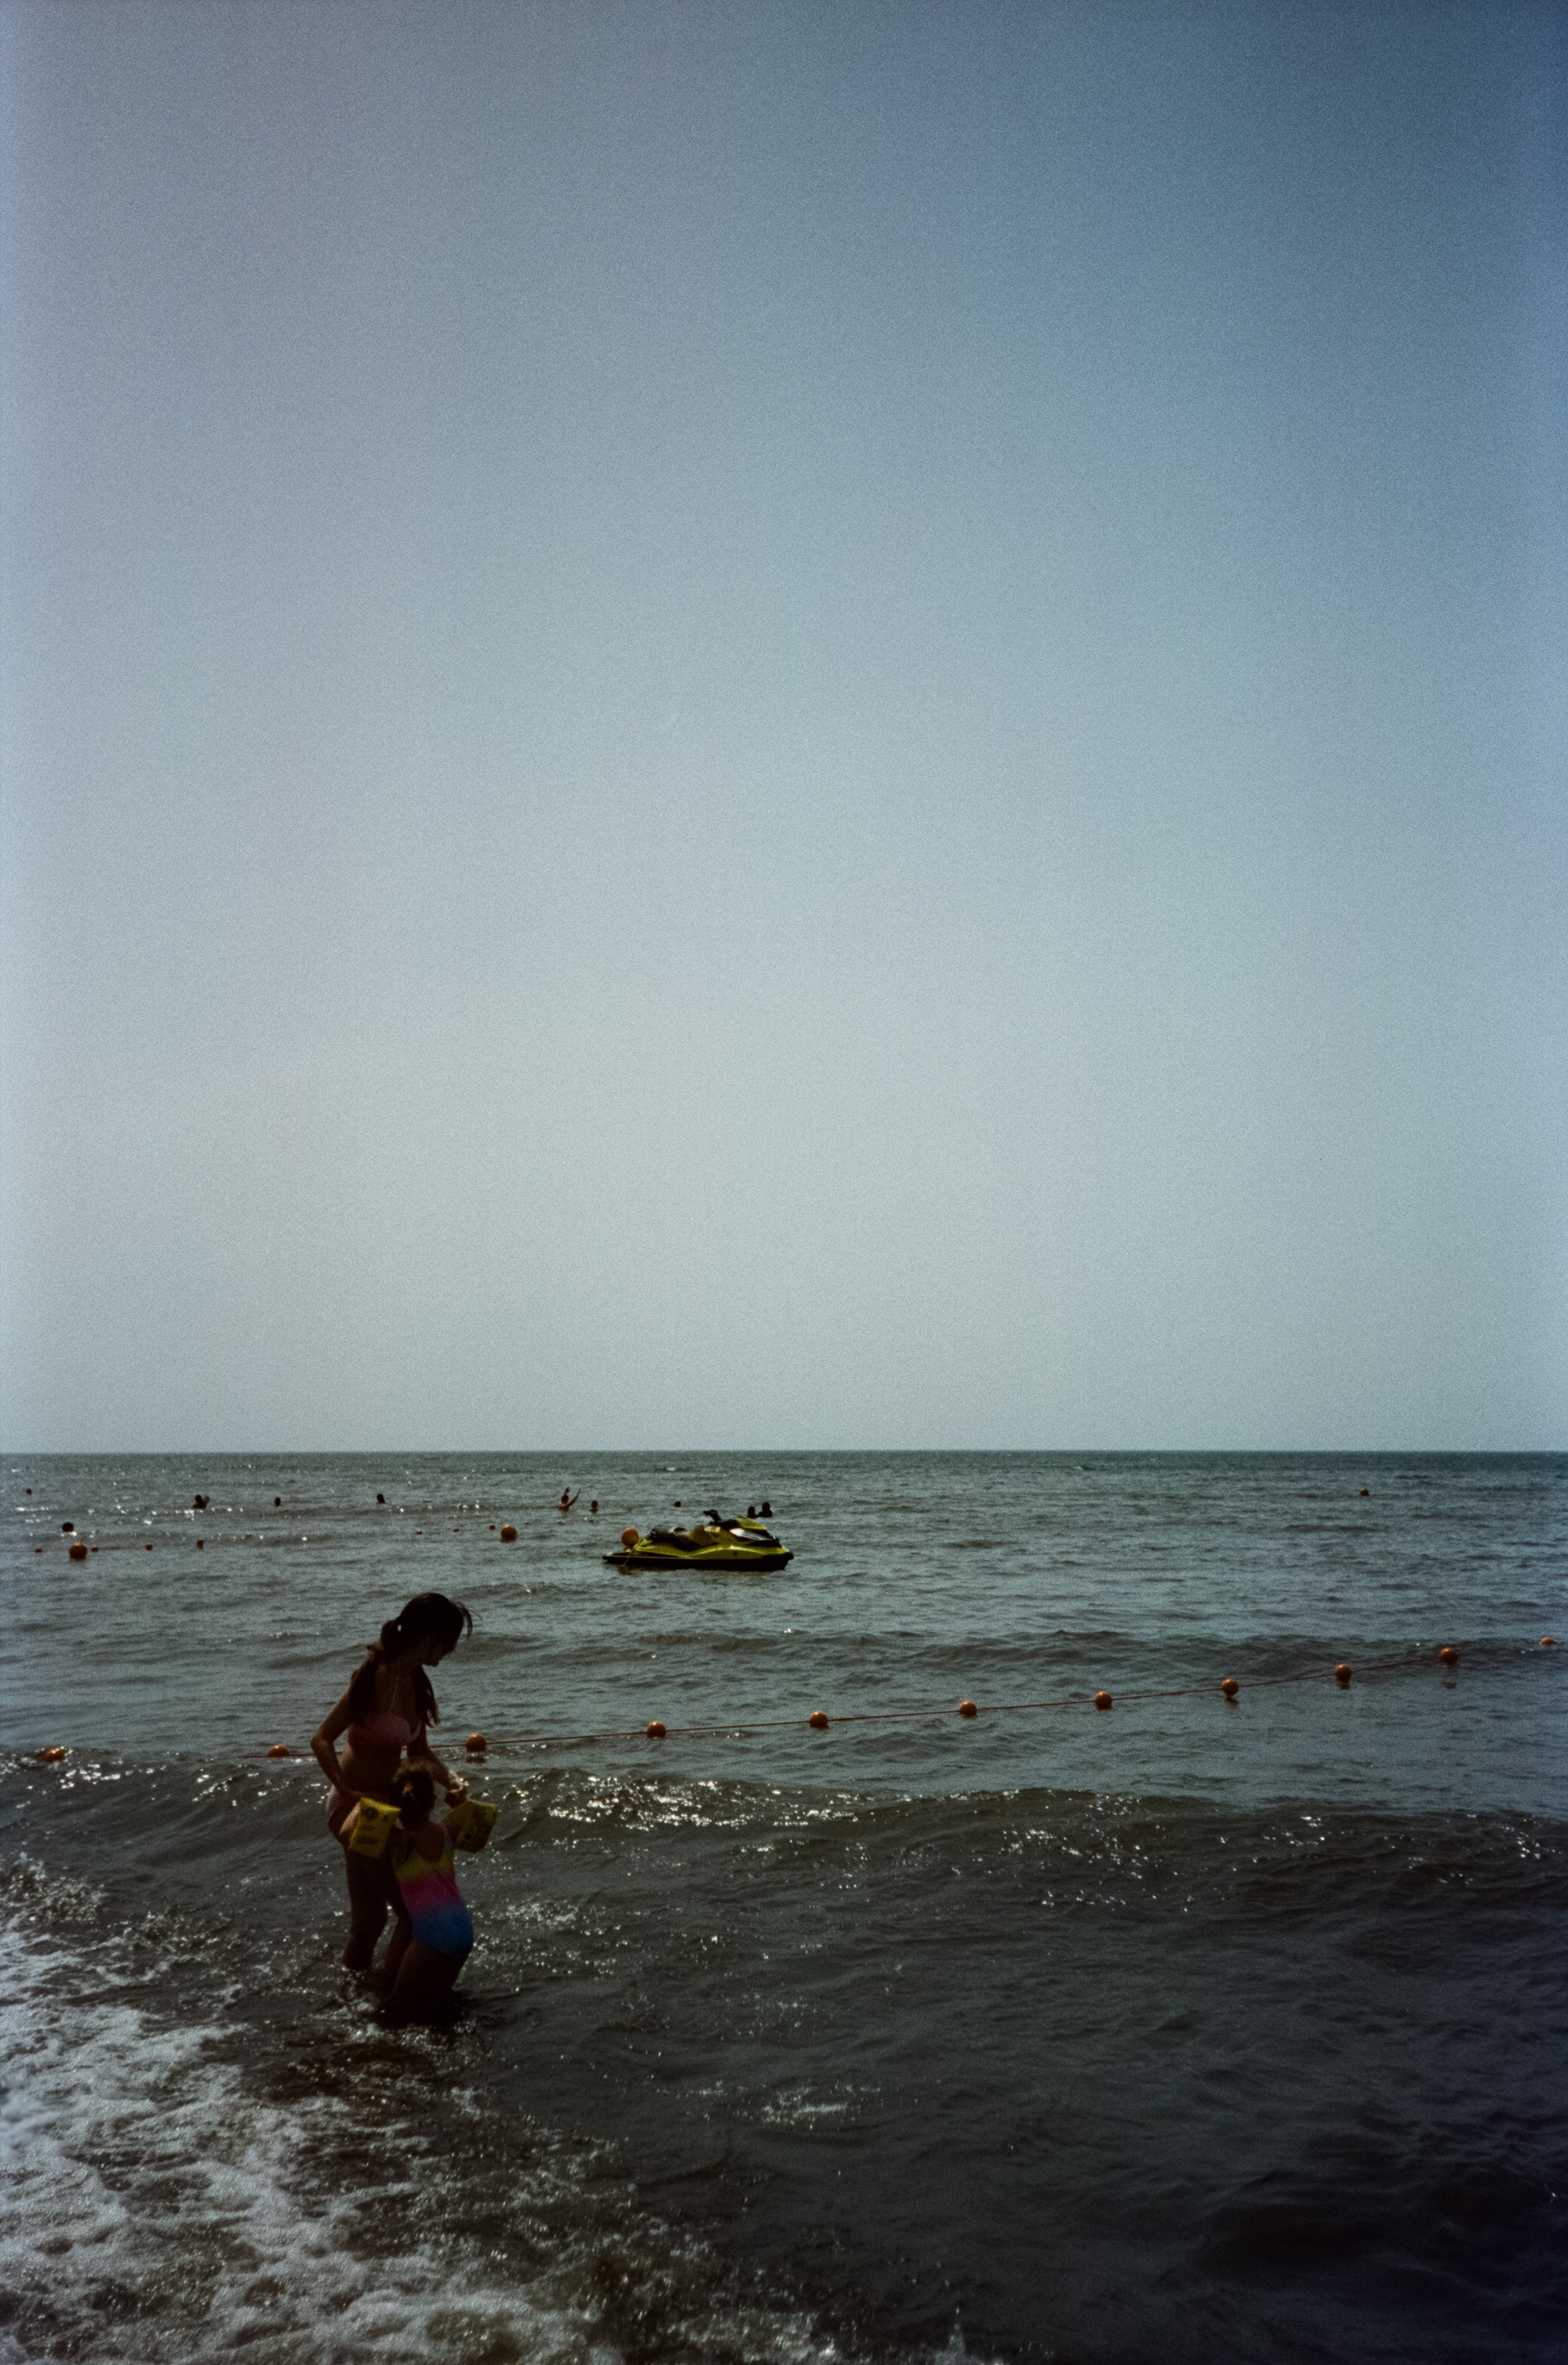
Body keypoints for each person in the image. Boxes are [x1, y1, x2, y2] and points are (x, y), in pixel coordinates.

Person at [311, 1591, 472, 1972]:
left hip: (383, 1813)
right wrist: (347, 1792)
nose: (450, 1651)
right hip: (355, 1810)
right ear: (429, 1637)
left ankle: (352, 2001)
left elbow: (420, 1754)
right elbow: (321, 1740)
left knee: (369, 1925)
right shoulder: (373, 1677)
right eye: (449, 1641)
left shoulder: (417, 1684)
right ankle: (389, 2000)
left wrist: (451, 1780)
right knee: (409, 1914)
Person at [382, 1765, 474, 2009]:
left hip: (432, 1935)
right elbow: (473, 1821)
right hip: (463, 1928)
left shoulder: (399, 1841)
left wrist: (358, 1797)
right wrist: (459, 1799)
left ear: (394, 1807)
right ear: (433, 1802)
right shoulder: (447, 1832)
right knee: (439, 1999)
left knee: (396, 2006)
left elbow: (350, 1830)